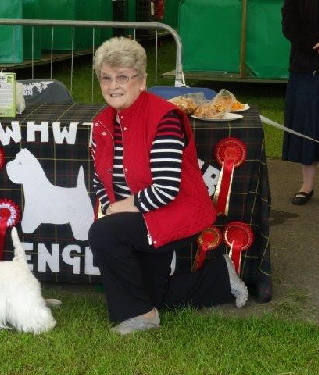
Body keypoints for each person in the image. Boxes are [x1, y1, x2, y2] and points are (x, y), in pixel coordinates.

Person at [88, 37, 248, 335]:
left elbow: (166, 189)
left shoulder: (165, 119)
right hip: (138, 217)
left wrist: (118, 211)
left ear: (142, 80)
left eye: (123, 76)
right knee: (154, 294)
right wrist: (112, 207)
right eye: (106, 78)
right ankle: (219, 279)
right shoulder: (101, 123)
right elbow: (99, 178)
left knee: (103, 233)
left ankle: (141, 316)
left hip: (174, 214)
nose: (113, 85)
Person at [281, 0, 319, 205]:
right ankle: (307, 185)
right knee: (308, 126)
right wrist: (316, 43)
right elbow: (289, 25)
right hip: (306, 66)